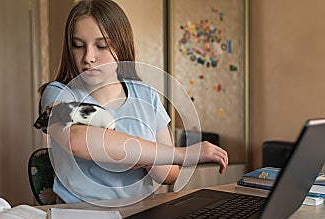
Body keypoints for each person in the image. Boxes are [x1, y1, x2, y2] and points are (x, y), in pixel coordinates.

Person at [37, 0, 228, 204]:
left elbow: (170, 174)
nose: (88, 57)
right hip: (78, 213)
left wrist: (145, 158)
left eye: (102, 46)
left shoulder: (147, 96)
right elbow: (76, 141)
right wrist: (181, 154)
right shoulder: (58, 93)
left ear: (121, 45)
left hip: (138, 211)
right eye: (78, 46)